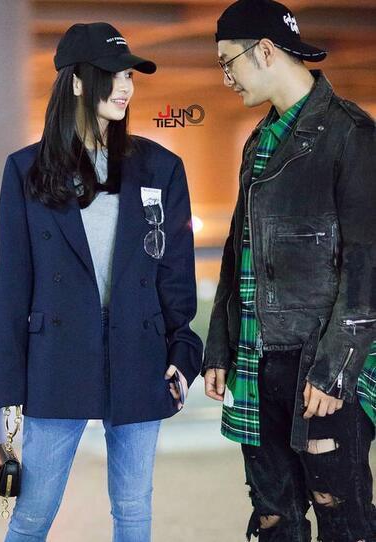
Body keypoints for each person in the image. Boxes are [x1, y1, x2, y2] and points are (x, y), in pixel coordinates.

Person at [0, 22, 203, 542]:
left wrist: (183, 353)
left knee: (133, 509)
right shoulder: (26, 171)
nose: (126, 86)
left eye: (130, 75)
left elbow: (175, 272)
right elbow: (13, 286)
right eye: (113, 74)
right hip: (56, 359)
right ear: (77, 82)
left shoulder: (161, 168)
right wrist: (12, 385)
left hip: (140, 356)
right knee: (32, 515)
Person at [202, 1, 376, 540]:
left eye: (228, 62)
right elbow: (238, 251)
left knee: (341, 515)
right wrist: (220, 347)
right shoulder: (260, 140)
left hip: (319, 366)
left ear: (265, 51)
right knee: (273, 517)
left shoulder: (351, 134)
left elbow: (367, 265)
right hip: (257, 362)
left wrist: (334, 370)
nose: (226, 77)